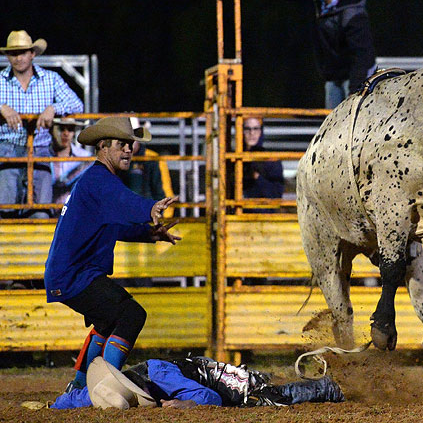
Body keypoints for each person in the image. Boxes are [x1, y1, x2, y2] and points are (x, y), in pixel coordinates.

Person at [44, 116, 181, 394]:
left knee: (108, 320)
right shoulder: (99, 180)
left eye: (130, 144)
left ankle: (80, 385)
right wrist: (150, 207)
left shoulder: (95, 181)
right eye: (122, 144)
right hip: (76, 275)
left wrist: (148, 233)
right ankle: (105, 386)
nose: (129, 149)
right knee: (131, 315)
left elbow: (113, 225)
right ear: (104, 146)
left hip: (70, 274)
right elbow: (124, 201)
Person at [230, 0, 376, 109]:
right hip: (333, 75)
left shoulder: (354, 13)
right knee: (334, 122)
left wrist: (355, 93)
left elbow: (362, 56)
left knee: (354, 119)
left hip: (358, 74)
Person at [0, 30, 84, 218]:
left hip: (40, 150)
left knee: (41, 212)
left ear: (32, 54)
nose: (18, 58)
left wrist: (53, 108)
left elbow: (77, 104)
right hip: (6, 151)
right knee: (4, 211)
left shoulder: (50, 79)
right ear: (7, 56)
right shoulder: (0, 81)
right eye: (13, 53)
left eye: (22, 52)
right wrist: (1, 108)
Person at [51, 356, 345, 409]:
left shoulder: (161, 376)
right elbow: (70, 399)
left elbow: (211, 398)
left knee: (264, 397)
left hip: (215, 378)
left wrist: (185, 404)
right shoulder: (102, 392)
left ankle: (326, 387)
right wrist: (51, 407)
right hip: (192, 375)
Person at [49, 117, 92, 212]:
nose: (66, 133)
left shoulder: (85, 158)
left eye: (70, 129)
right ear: (52, 130)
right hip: (48, 213)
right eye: (61, 129)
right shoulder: (42, 156)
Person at [242, 117, 284, 212]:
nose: (252, 133)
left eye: (256, 128)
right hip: (239, 214)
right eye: (247, 128)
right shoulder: (233, 158)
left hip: (264, 216)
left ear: (261, 131)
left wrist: (257, 177)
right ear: (242, 131)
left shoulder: (271, 160)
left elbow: (276, 195)